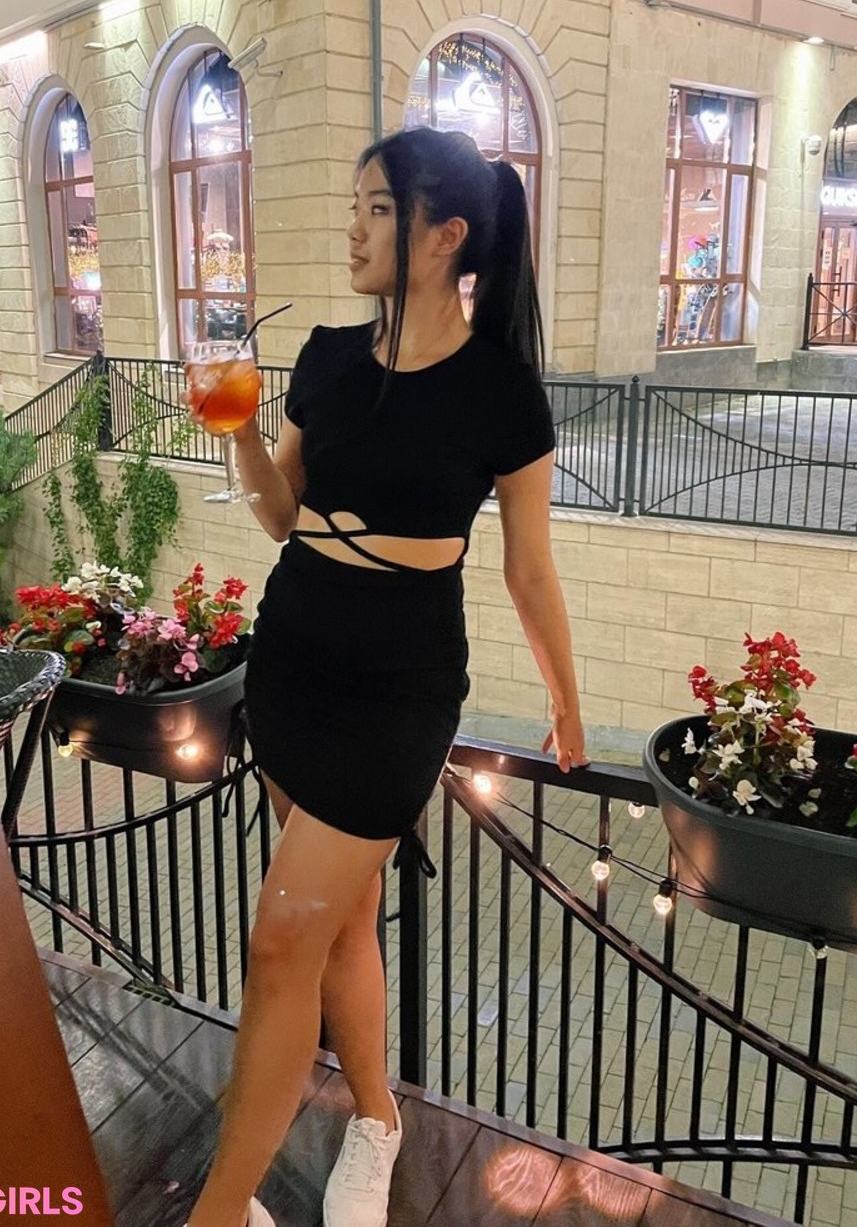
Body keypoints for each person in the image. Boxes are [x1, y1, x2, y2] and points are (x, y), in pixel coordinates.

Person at [184, 125, 586, 1227]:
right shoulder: (325, 356)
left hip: (399, 693)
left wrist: (566, 702)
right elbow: (283, 516)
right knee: (341, 922)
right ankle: (378, 1120)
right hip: (292, 662)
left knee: (281, 939)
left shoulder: (503, 393)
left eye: (375, 209)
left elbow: (530, 568)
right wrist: (241, 434)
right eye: (354, 207)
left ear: (444, 235)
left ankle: (220, 1210)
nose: (353, 230)